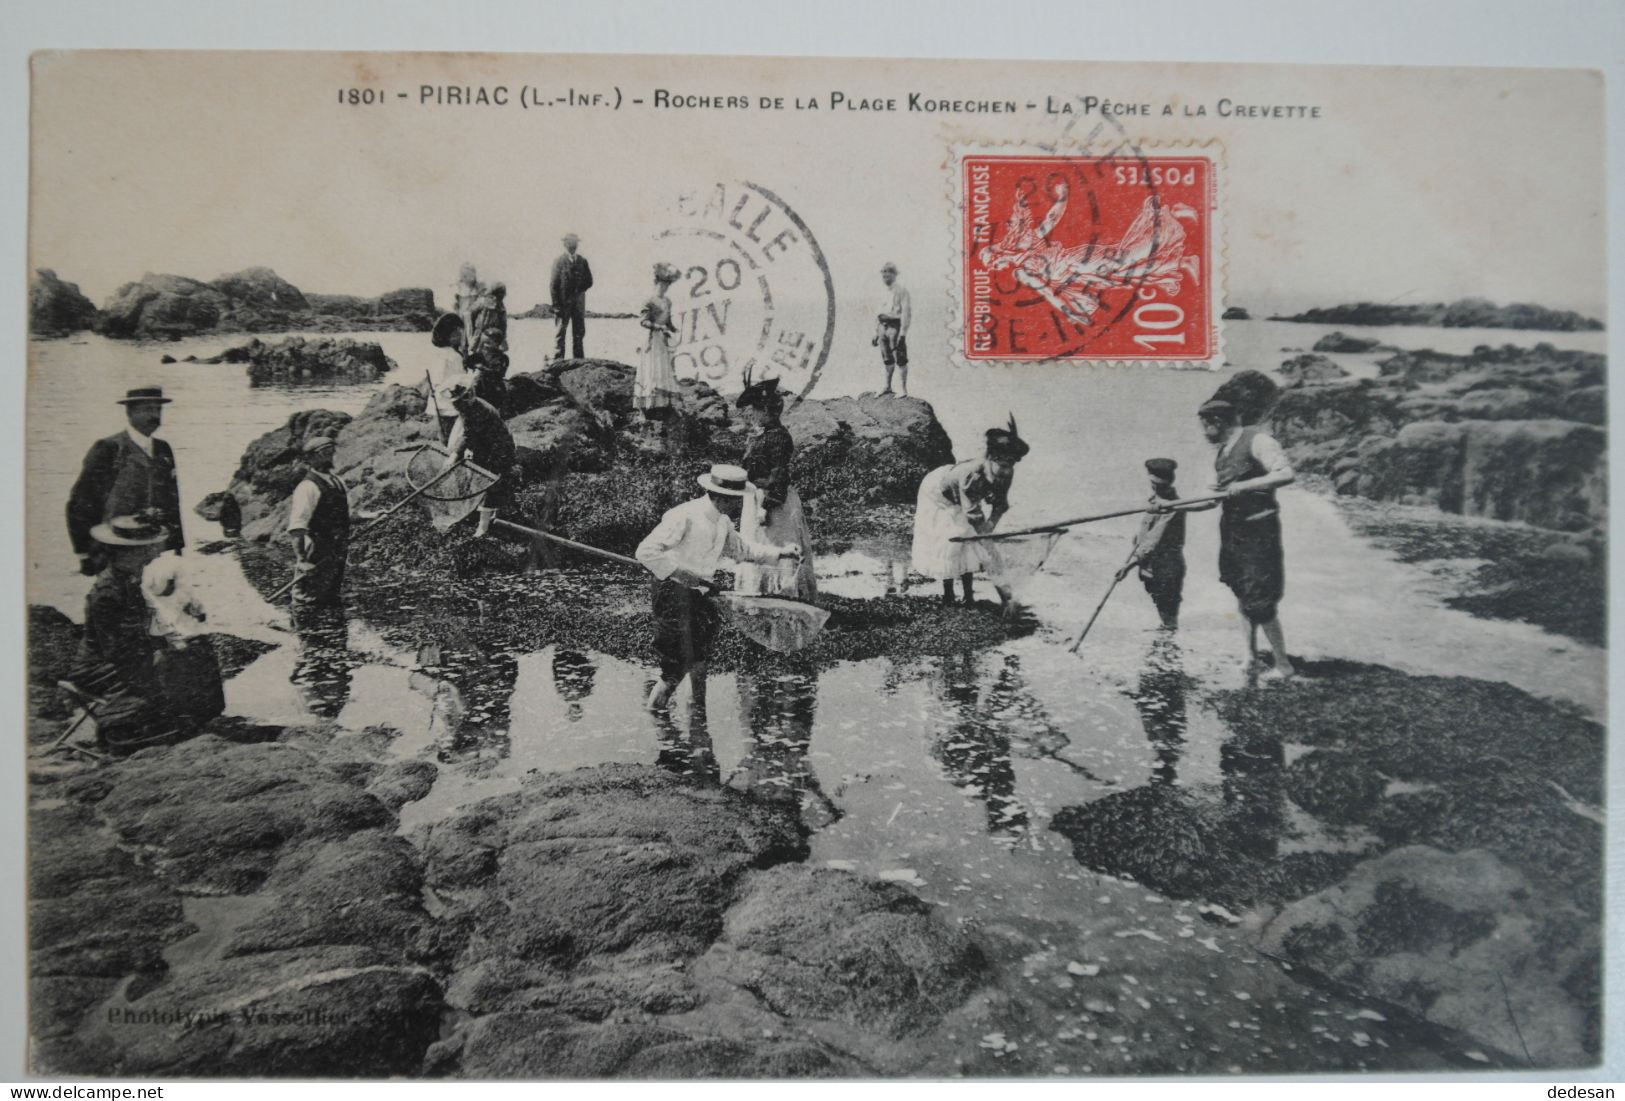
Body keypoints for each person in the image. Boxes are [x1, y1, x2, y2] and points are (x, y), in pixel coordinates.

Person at [634, 463, 800, 712]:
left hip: (701, 594)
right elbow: (645, 551)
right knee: (674, 669)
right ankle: (657, 723)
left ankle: (698, 719)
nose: (739, 506)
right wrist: (679, 573)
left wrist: (781, 553)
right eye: (736, 501)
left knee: (700, 662)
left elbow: (743, 551)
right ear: (722, 498)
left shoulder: (723, 522)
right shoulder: (684, 515)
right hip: (672, 593)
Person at [1185, 399, 1298, 681]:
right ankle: (1250, 656)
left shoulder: (1258, 440)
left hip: (1260, 532)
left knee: (1260, 599)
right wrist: (1174, 506)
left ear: (1216, 423)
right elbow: (1210, 499)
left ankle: (1283, 665)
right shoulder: (1221, 454)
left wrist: (1244, 486)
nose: (1203, 433)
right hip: (1233, 533)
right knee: (1241, 592)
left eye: (1204, 427)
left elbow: (1286, 473)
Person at [911, 415, 1030, 611]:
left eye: (1011, 465)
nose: (1007, 471)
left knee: (972, 540)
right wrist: (985, 540)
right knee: (953, 539)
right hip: (937, 492)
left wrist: (990, 528)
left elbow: (1000, 505)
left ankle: (968, 596)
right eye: (1003, 466)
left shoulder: (1005, 473)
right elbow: (973, 515)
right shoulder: (972, 475)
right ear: (991, 459)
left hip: (962, 497)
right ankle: (948, 595)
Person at [67, 386, 184, 575]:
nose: (155, 415)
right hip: (114, 549)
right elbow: (80, 503)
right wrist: (83, 554)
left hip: (157, 549)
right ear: (130, 412)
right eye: (147, 409)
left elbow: (172, 502)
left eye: (158, 409)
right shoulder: (108, 449)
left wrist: (176, 547)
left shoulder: (163, 449)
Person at [734, 373, 817, 599]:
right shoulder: (764, 436)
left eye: (756, 410)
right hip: (757, 497)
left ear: (768, 411)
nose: (752, 414)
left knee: (775, 543)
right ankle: (760, 592)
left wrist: (766, 505)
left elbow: (779, 473)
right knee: (758, 544)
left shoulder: (779, 437)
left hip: (773, 502)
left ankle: (781, 593)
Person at [443, 383, 519, 540]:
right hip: (486, 448)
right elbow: (469, 434)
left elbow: (469, 435)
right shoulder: (468, 408)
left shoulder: (480, 411)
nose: (456, 405)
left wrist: (456, 454)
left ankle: (483, 527)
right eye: (454, 402)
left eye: (459, 401)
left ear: (468, 396)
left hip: (499, 450)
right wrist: (467, 450)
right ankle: (494, 512)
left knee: (491, 483)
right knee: (485, 480)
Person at [1122, 457, 1187, 630]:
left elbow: (1154, 540)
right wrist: (1136, 539)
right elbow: (1146, 532)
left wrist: (1129, 565)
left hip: (1166, 565)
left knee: (1167, 600)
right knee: (1157, 597)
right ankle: (1166, 627)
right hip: (1150, 564)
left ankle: (1169, 630)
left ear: (1166, 482)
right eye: (1152, 482)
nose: (1153, 486)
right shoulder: (1153, 500)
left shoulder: (1173, 506)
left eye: (1157, 483)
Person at [286, 436, 351, 609]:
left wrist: (371, 515)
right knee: (306, 598)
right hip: (316, 550)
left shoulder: (338, 482)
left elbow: (345, 515)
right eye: (324, 453)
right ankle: (304, 631)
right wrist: (301, 560)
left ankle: (331, 632)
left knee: (330, 594)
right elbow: (297, 527)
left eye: (331, 452)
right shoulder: (307, 487)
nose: (329, 457)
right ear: (311, 458)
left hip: (337, 550)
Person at [633, 262, 681, 426]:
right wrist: (659, 327)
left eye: (667, 285)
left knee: (663, 368)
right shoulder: (649, 301)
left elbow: (669, 321)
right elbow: (643, 321)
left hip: (662, 340)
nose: (664, 288)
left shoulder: (667, 301)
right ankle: (648, 406)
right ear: (656, 284)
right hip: (651, 339)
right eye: (662, 285)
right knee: (651, 369)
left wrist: (673, 329)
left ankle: (661, 404)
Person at [429, 312, 475, 440]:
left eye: (461, 331)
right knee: (449, 433)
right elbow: (438, 380)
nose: (461, 335)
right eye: (457, 332)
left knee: (456, 433)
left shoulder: (454, 353)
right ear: (447, 335)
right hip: (446, 401)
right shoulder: (444, 355)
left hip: (454, 399)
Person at [550, 233, 594, 360]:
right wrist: (556, 305)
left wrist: (579, 290)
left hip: (579, 303)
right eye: (570, 242)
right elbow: (553, 285)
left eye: (575, 243)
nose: (572, 245)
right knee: (560, 332)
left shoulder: (583, 261)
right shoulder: (558, 261)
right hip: (563, 303)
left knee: (579, 332)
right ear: (565, 244)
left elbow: (590, 281)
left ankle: (578, 359)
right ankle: (558, 360)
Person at [468, 281, 510, 409]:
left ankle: (491, 397)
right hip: (483, 338)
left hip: (494, 339)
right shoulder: (482, 302)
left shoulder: (501, 306)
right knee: (483, 366)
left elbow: (503, 325)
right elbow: (470, 314)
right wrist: (473, 334)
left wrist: (502, 340)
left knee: (493, 367)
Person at [872, 261, 912, 396]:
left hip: (895, 326)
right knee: (887, 358)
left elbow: (906, 313)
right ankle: (887, 386)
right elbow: (877, 312)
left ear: (895, 275)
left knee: (900, 357)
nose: (886, 276)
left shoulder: (902, 291)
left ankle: (903, 389)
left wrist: (903, 334)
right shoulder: (881, 291)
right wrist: (875, 332)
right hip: (882, 326)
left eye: (889, 273)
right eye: (884, 274)